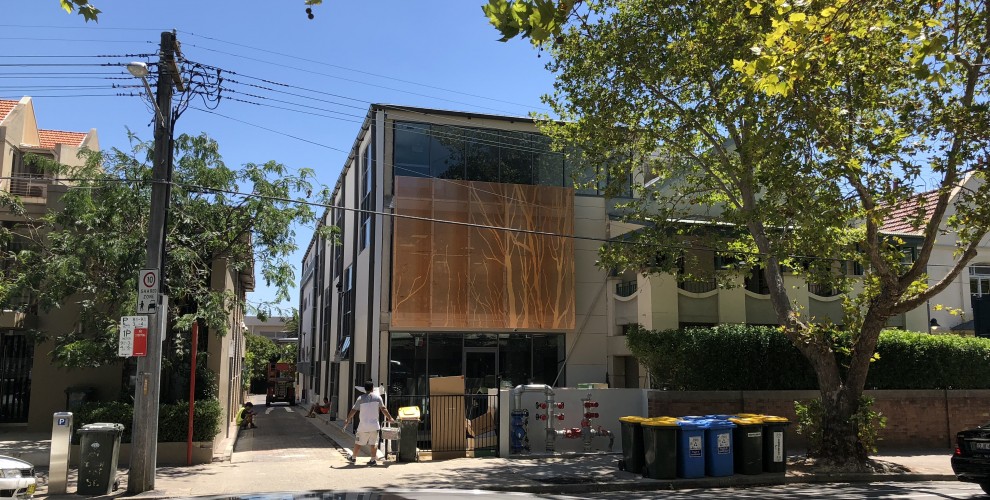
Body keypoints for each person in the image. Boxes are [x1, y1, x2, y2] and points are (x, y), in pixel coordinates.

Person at [343, 381, 394, 465]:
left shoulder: (360, 398)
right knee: (373, 443)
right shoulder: (378, 398)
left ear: (364, 389)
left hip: (363, 425)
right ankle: (373, 460)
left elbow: (353, 410)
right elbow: (383, 409)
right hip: (374, 425)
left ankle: (353, 458)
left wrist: (348, 419)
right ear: (372, 388)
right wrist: (390, 418)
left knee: (358, 442)